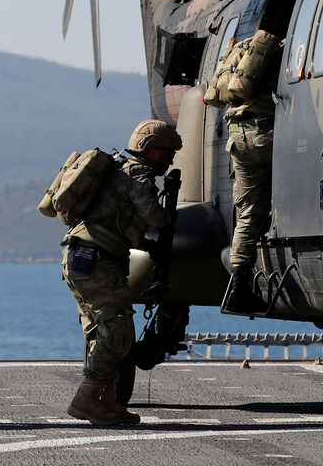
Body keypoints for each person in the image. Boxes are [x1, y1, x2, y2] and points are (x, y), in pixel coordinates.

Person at [60, 119, 180, 426]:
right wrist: (169, 211)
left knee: (102, 330)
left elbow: (120, 222)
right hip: (96, 260)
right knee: (117, 330)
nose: (170, 161)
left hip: (82, 256)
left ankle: (107, 400)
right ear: (151, 151)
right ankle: (88, 398)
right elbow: (153, 215)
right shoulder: (137, 172)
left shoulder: (117, 171)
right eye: (167, 154)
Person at [222, 68, 276, 314]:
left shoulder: (241, 55)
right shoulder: (275, 50)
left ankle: (238, 287)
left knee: (247, 212)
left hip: (237, 136)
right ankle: (240, 291)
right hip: (263, 134)